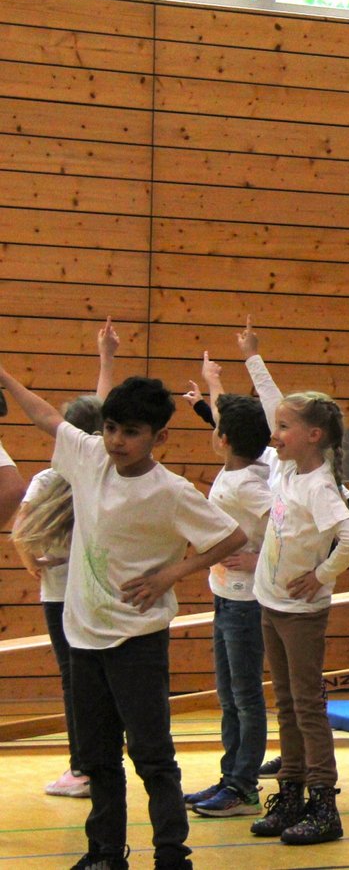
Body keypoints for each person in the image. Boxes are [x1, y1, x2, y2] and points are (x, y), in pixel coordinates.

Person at [0, 364, 245, 870]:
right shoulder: (89, 456)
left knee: (153, 757)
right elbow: (46, 415)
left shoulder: (171, 491)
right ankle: (106, 853)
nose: (116, 440)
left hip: (137, 640)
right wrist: (4, 378)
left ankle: (172, 854)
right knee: (98, 758)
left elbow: (232, 537)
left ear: (159, 437)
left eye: (131, 432)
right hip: (83, 637)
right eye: (111, 428)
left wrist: (171, 574)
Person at [237, 318, 349, 845]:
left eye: (287, 428)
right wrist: (253, 359)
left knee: (307, 705)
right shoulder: (285, 470)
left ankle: (322, 802)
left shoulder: (318, 485)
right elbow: (274, 408)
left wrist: (321, 575)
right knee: (285, 702)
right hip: (270, 603)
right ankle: (290, 793)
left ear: (314, 436)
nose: (275, 434)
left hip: (301, 612)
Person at [180, 353, 275, 818]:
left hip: (246, 602)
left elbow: (291, 526)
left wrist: (259, 560)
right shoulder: (240, 466)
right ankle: (229, 776)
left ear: (222, 441)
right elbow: (226, 418)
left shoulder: (250, 485)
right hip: (225, 595)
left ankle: (243, 785)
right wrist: (214, 381)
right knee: (228, 695)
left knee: (245, 696)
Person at [13, 396, 105, 800]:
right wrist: (105, 359)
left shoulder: (51, 478)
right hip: (95, 589)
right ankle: (99, 762)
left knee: (74, 681)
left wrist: (29, 560)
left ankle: (82, 766)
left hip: (60, 592)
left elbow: (21, 527)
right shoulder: (100, 472)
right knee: (97, 678)